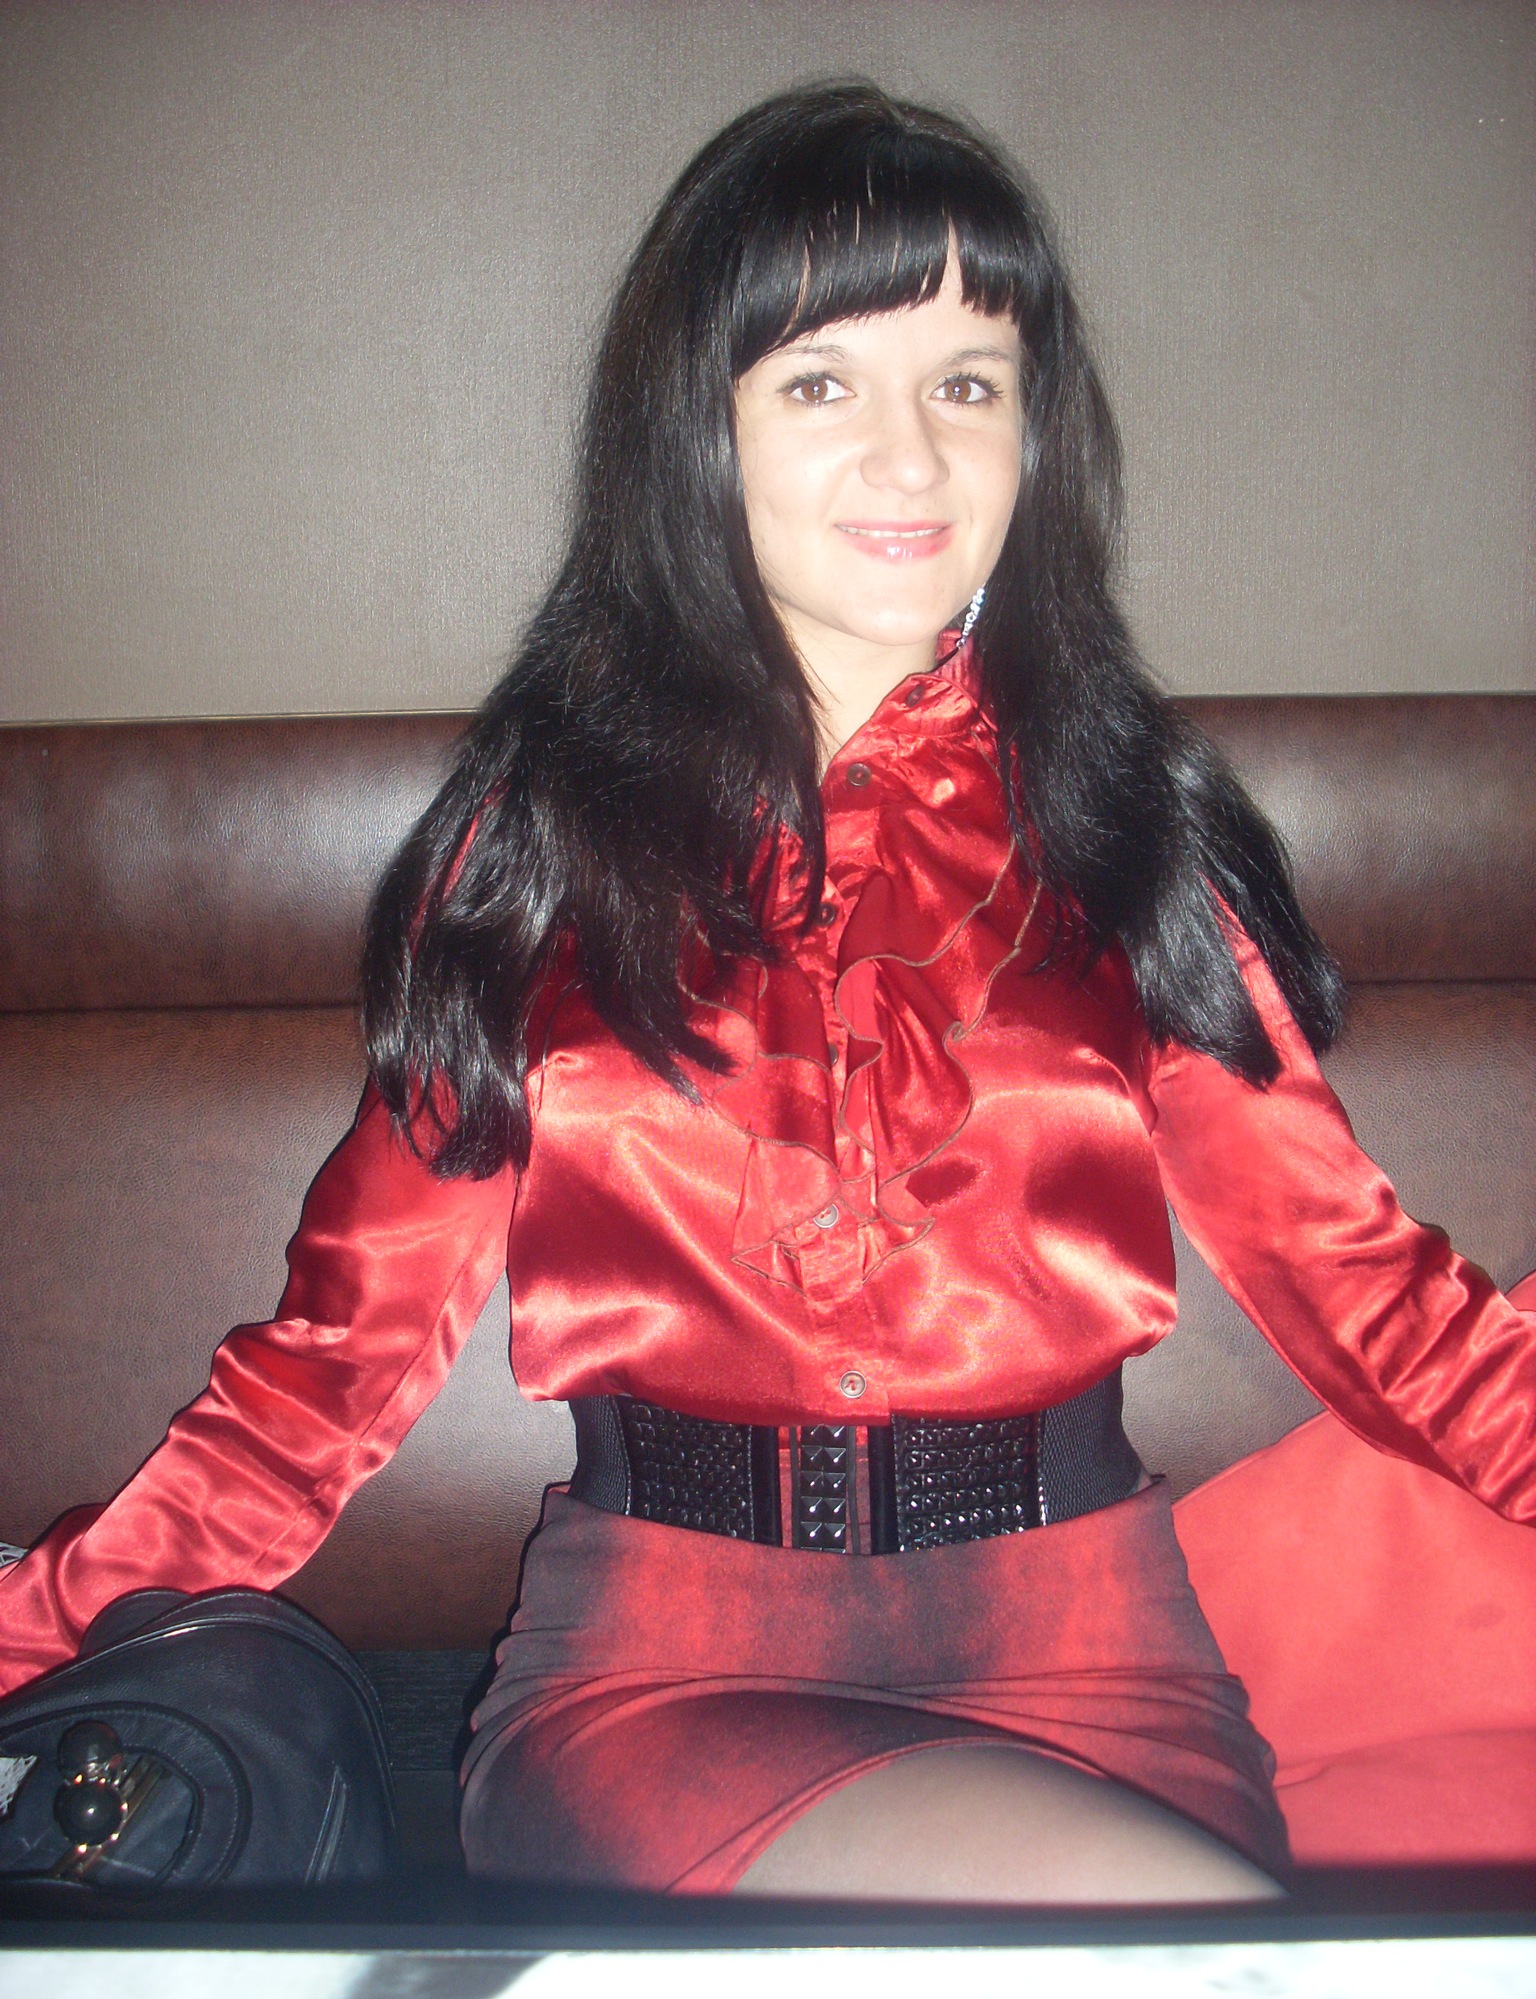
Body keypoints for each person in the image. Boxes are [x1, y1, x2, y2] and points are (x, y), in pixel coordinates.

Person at [2, 82, 1532, 1905]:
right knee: (1169, 1954)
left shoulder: (1129, 829)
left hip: (1096, 1660)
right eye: (820, 383)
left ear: (1036, 435)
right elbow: (330, 1371)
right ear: (699, 432)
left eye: (967, 383)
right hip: (662, 1667)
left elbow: (1386, 1308)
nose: (912, 459)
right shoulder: (542, 843)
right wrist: (29, 1636)